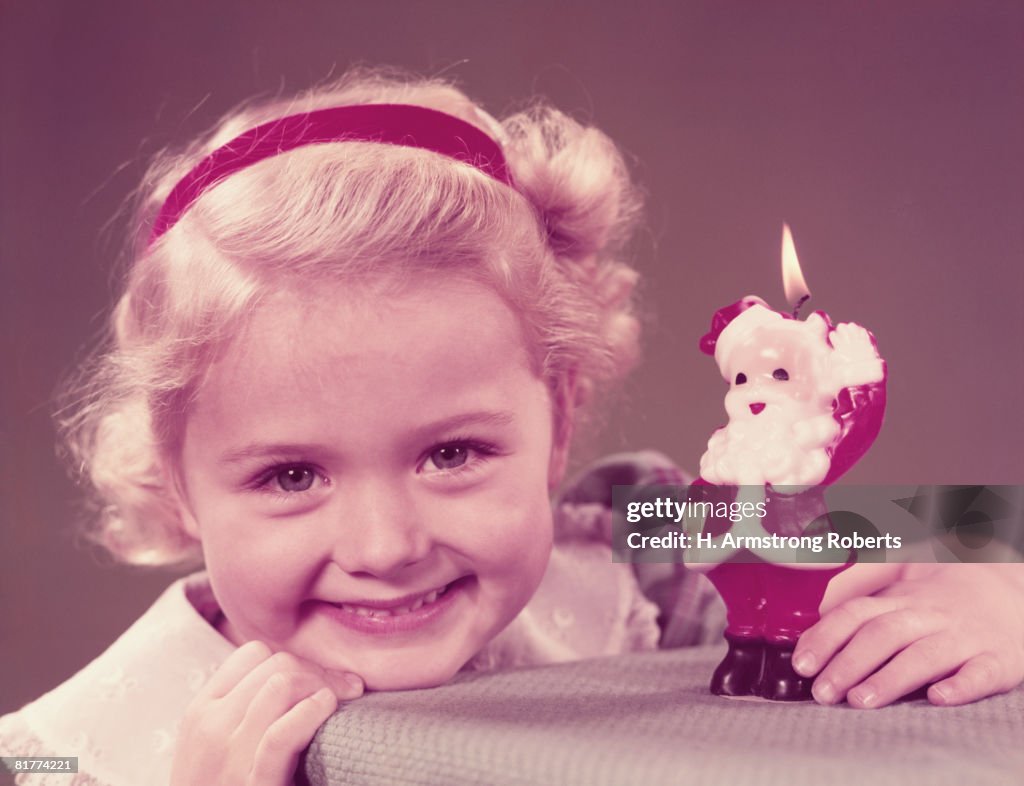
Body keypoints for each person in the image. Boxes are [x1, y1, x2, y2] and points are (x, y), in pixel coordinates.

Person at [1, 69, 1022, 786]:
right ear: (176, 482)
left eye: (452, 454)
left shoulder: (642, 553)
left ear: (562, 415)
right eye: (287, 477)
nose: (384, 547)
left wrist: (996, 595)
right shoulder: (63, 751)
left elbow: (972, 530)